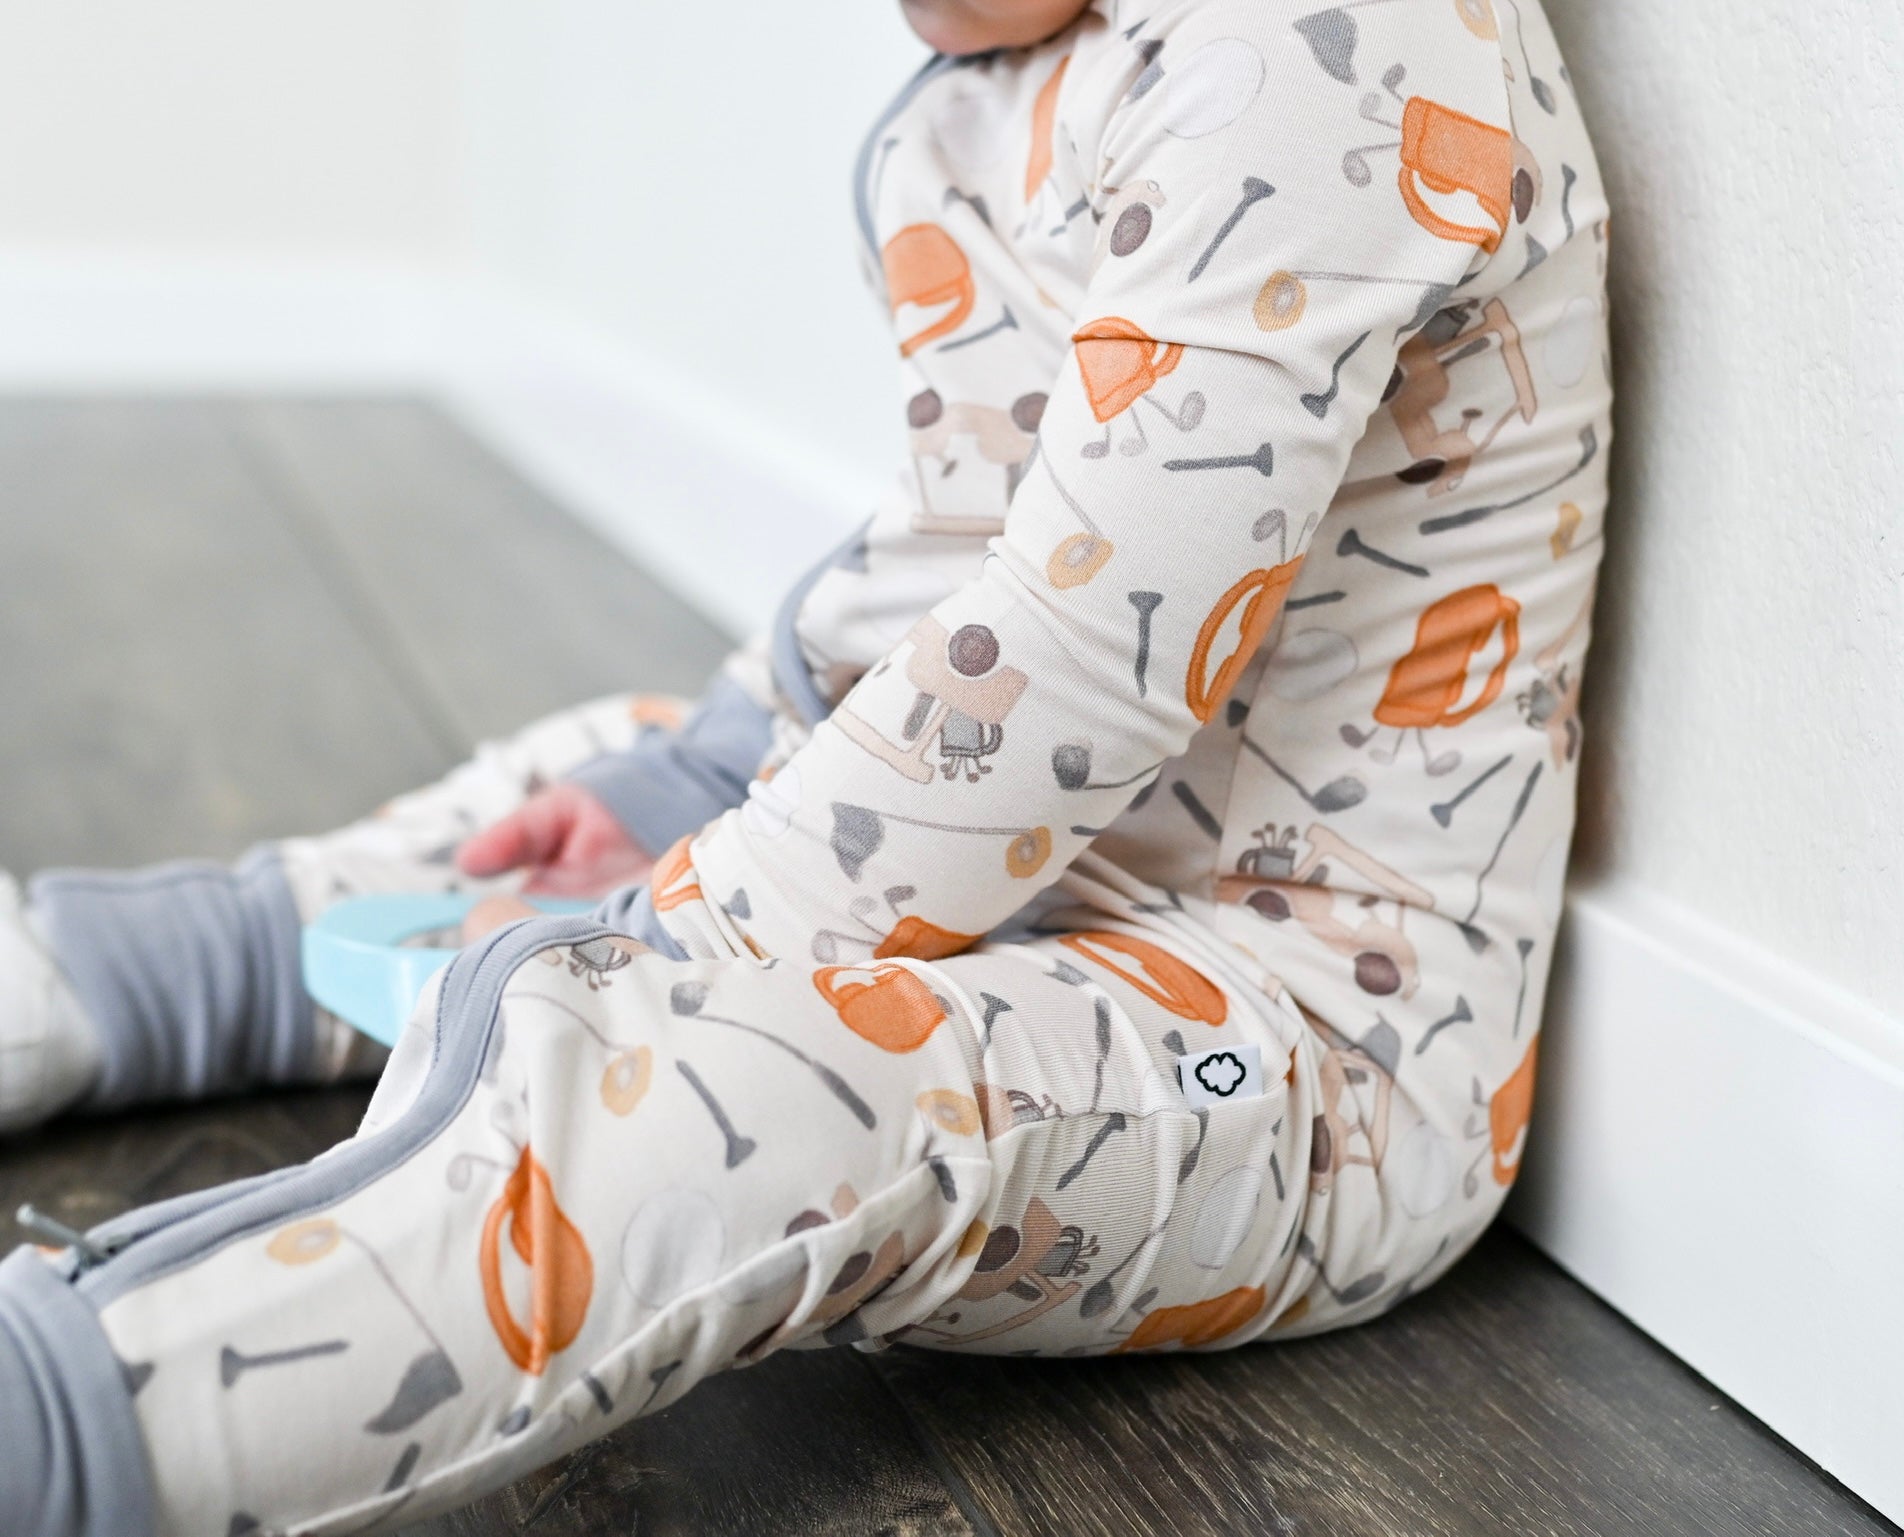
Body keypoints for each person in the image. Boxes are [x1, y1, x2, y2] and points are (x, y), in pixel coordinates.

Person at [0, 0, 1610, 1530]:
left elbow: (1082, 662)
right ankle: (121, 977)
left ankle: (66, 1427)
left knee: (718, 1105)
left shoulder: (1327, 50)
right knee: (593, 773)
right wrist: (683, 798)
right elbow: (962, 585)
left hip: (1305, 1040)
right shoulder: (1005, 88)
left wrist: (653, 948)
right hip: (1028, 871)